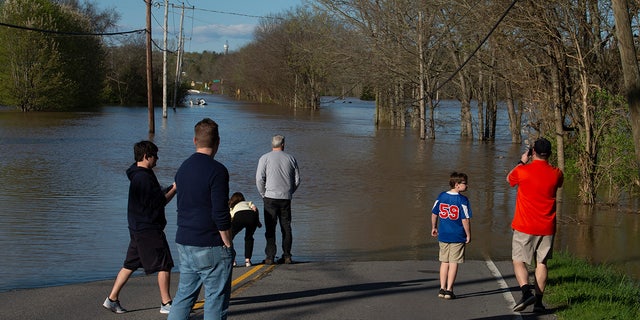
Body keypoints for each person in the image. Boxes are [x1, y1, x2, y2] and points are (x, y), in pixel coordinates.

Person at [169, 118, 235, 320]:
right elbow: (220, 212)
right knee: (215, 299)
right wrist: (228, 243)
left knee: (184, 296)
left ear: (194, 140)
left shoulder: (183, 168)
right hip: (210, 243)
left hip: (185, 240)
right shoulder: (218, 171)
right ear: (218, 142)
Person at [103, 140, 177, 314]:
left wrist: (169, 189)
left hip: (137, 228)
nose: (157, 159)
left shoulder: (139, 173)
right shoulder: (143, 177)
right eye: (155, 156)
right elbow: (159, 202)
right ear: (146, 156)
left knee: (130, 264)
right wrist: (175, 189)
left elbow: (155, 196)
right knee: (164, 263)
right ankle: (166, 303)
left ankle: (112, 299)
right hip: (148, 228)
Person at [507, 137, 563, 312]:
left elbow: (509, 179)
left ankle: (525, 292)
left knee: (518, 260)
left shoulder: (523, 171)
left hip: (525, 225)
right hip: (547, 226)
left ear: (532, 152)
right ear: (550, 154)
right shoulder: (557, 173)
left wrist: (521, 162)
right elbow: (558, 184)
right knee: (542, 263)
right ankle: (538, 302)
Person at [256, 134, 300, 265]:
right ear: (283, 144)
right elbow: (297, 180)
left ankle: (270, 256)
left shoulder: (264, 158)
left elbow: (259, 178)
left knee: (270, 227)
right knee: (286, 227)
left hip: (269, 197)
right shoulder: (291, 158)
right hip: (285, 197)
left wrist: (263, 193)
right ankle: (287, 255)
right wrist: (290, 191)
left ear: (272, 144)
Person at [430, 171, 472, 300]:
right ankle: (449, 289)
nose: (467, 186)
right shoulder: (463, 200)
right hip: (457, 235)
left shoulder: (441, 196)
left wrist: (434, 227)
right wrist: (468, 234)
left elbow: (434, 213)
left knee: (444, 262)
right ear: (457, 184)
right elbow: (465, 219)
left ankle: (441, 288)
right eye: (465, 183)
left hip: (443, 234)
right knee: (454, 263)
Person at [229, 192, 262, 267]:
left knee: (229, 238)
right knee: (249, 237)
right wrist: (258, 221)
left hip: (239, 216)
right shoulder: (248, 202)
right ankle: (248, 261)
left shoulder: (232, 207)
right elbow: (255, 209)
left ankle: (233, 260)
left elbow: (230, 218)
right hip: (251, 216)